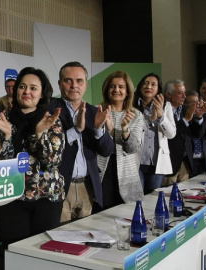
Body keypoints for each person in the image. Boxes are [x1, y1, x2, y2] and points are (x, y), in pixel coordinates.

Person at [0, 67, 64, 270]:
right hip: (11, 200)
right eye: (22, 86)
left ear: (42, 92)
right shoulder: (1, 122)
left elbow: (52, 161)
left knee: (44, 256)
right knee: (13, 254)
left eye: (33, 87)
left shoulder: (51, 121)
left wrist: (39, 134)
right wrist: (6, 137)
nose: (27, 91)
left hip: (46, 199)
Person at [48, 61, 112, 223]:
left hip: (87, 187)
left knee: (85, 237)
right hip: (60, 186)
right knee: (61, 239)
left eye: (79, 81)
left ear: (86, 85)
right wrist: (76, 129)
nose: (73, 85)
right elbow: (48, 148)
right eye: (68, 80)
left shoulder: (94, 111)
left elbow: (106, 150)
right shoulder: (49, 110)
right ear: (59, 84)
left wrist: (99, 129)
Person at [94, 71, 144, 212]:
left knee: (126, 219)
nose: (116, 90)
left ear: (127, 91)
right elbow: (94, 143)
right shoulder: (97, 111)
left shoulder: (136, 115)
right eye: (112, 86)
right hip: (101, 174)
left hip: (127, 176)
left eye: (121, 87)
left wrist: (123, 129)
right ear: (106, 90)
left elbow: (133, 148)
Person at [133, 73, 176, 194]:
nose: (149, 87)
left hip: (157, 163)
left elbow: (171, 134)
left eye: (153, 84)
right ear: (140, 87)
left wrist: (161, 116)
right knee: (136, 199)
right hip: (137, 162)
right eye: (145, 83)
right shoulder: (132, 105)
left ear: (158, 89)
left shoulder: (166, 106)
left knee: (153, 198)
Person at [162, 79, 193, 186]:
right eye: (180, 93)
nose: (185, 96)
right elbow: (170, 134)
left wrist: (198, 118)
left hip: (185, 162)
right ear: (168, 94)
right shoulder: (162, 110)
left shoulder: (187, 110)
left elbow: (195, 133)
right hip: (169, 163)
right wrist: (185, 120)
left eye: (185, 92)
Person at [183, 91, 206, 177]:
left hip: (204, 159)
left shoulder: (205, 117)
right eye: (193, 102)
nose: (197, 104)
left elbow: (203, 134)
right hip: (189, 160)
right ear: (185, 104)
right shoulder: (183, 118)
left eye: (198, 101)